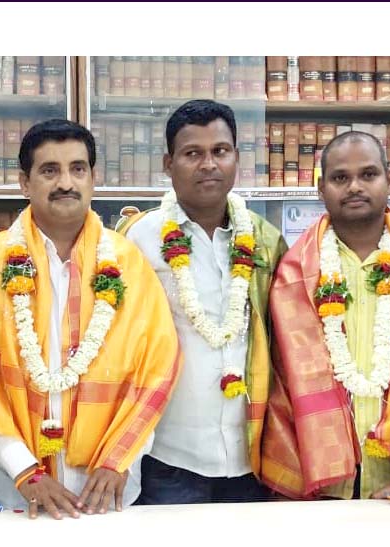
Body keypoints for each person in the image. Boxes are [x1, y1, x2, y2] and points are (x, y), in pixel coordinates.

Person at [0, 119, 180, 518]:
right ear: (24, 183)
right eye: (49, 170)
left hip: (109, 489)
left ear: (93, 178)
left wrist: (120, 458)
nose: (65, 183)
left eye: (77, 169)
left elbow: (156, 371)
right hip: (19, 492)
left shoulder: (129, 264)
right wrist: (23, 470)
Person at [259, 131, 390, 500]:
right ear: (321, 188)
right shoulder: (294, 273)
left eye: (368, 174)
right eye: (340, 177)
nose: (354, 187)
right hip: (318, 474)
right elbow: (280, 383)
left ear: (389, 180)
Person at [119, 100, 284, 504]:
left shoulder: (265, 240)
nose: (208, 164)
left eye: (220, 151)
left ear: (236, 158)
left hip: (253, 453)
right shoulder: (137, 240)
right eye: (192, 153)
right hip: (168, 455)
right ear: (168, 163)